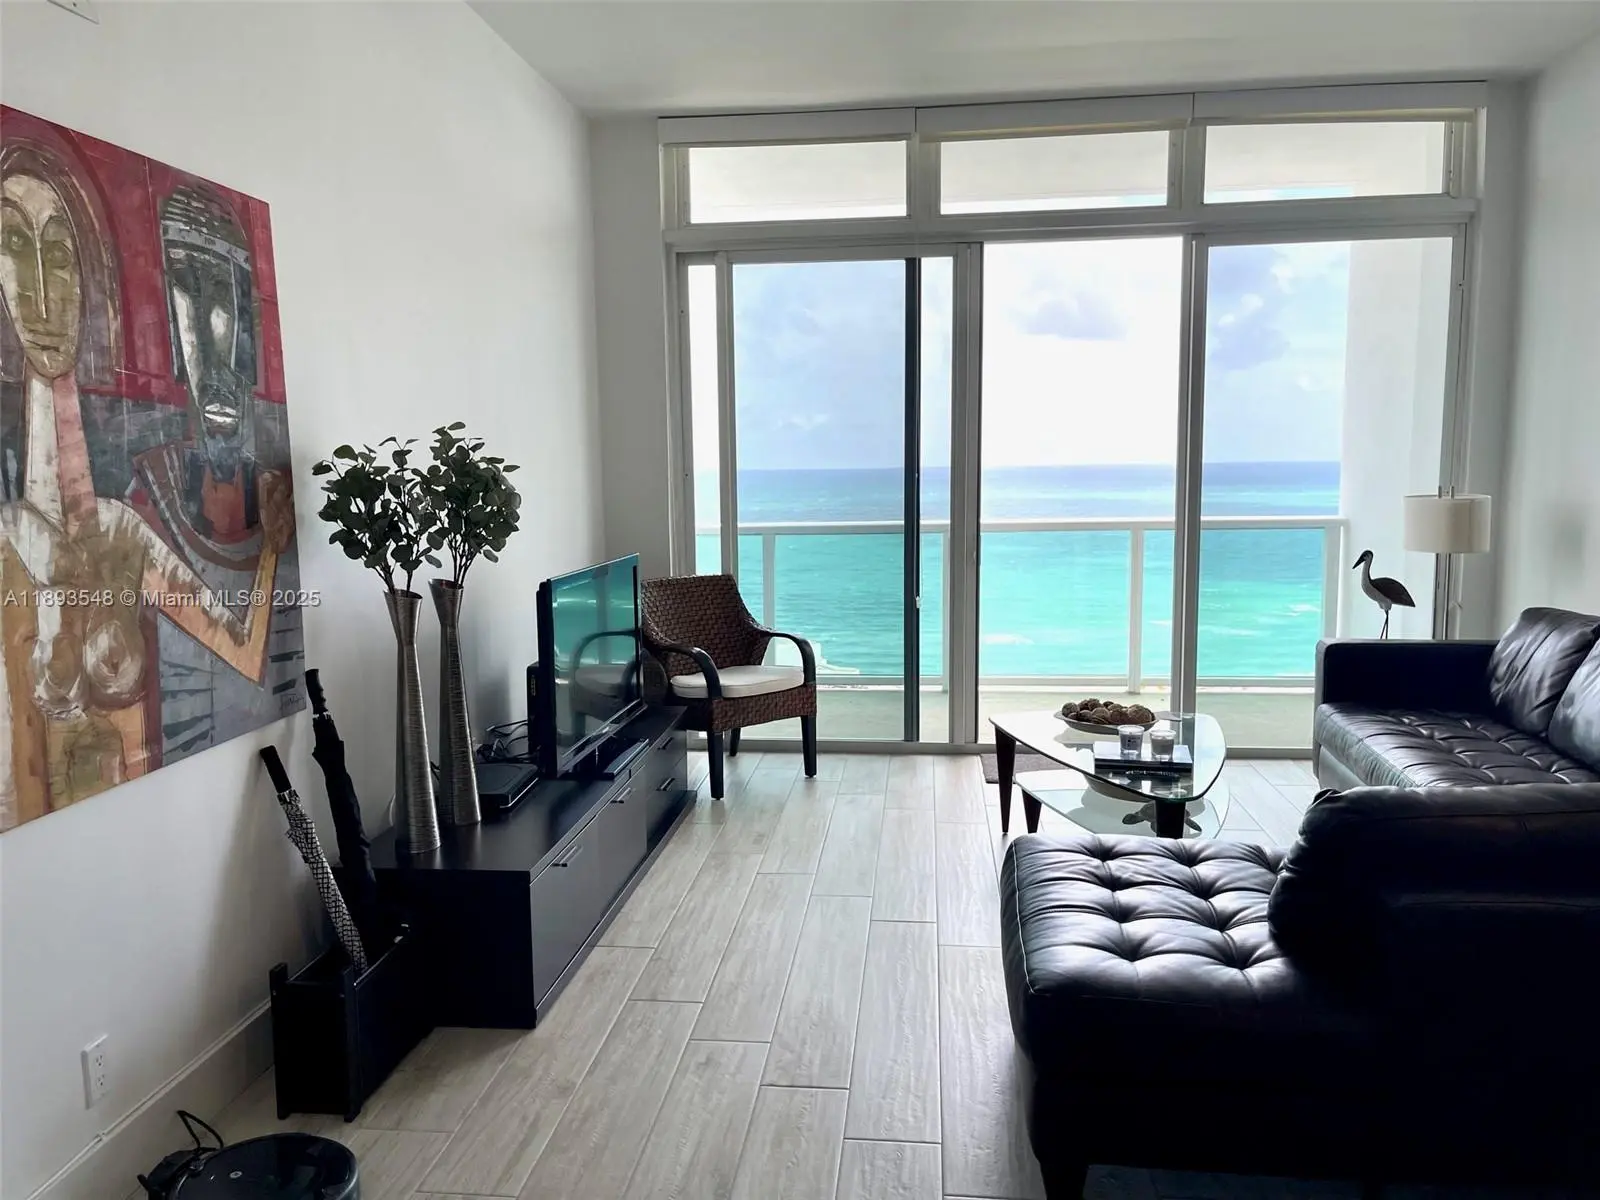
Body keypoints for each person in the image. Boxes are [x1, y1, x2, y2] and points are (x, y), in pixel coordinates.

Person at [0, 146, 287, 829]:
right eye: (12, 245)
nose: (42, 292)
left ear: (90, 284)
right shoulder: (9, 534)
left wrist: (273, 549)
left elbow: (245, 652)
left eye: (59, 254)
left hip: (143, 825)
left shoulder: (122, 529)